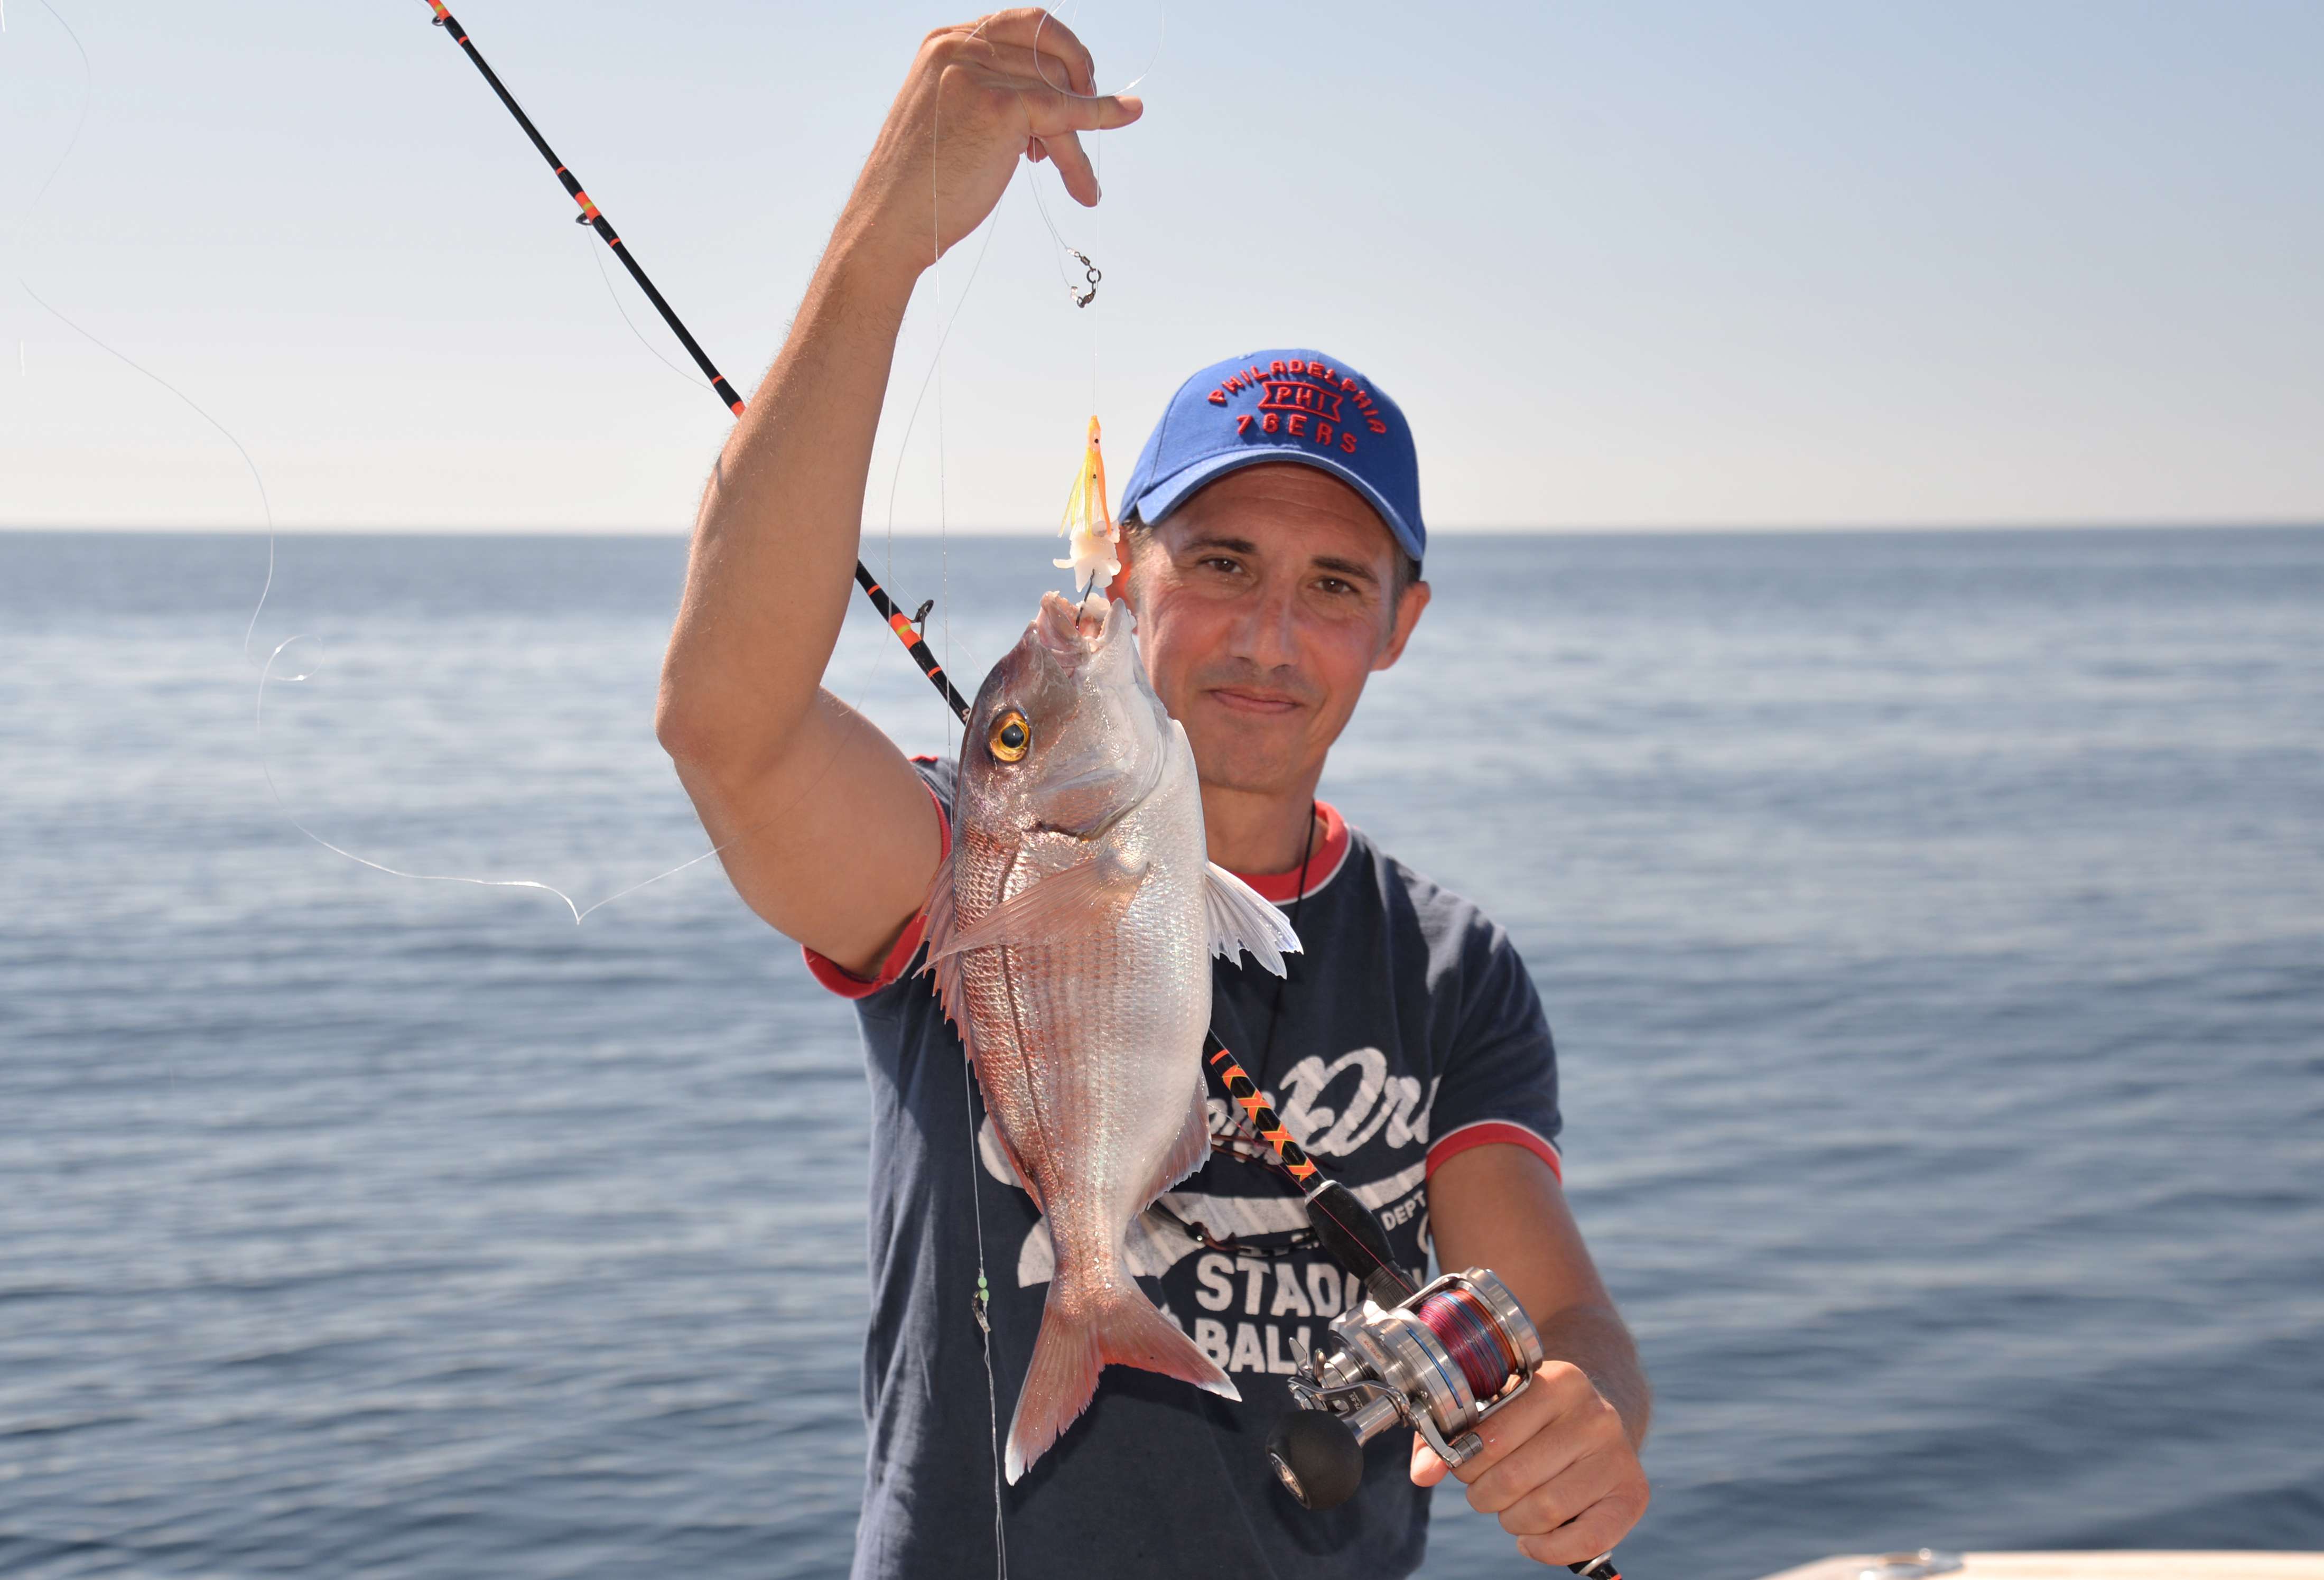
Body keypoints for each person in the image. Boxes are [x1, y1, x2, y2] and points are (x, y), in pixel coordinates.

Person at [654, 12, 1650, 1576]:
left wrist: (1591, 1418)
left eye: (1333, 583)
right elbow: (727, 723)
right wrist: (885, 244)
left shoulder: (1450, 968)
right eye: (1222, 563)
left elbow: (1559, 1301)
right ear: (1121, 578)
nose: (1268, 634)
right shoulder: (961, 867)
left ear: (1401, 627)